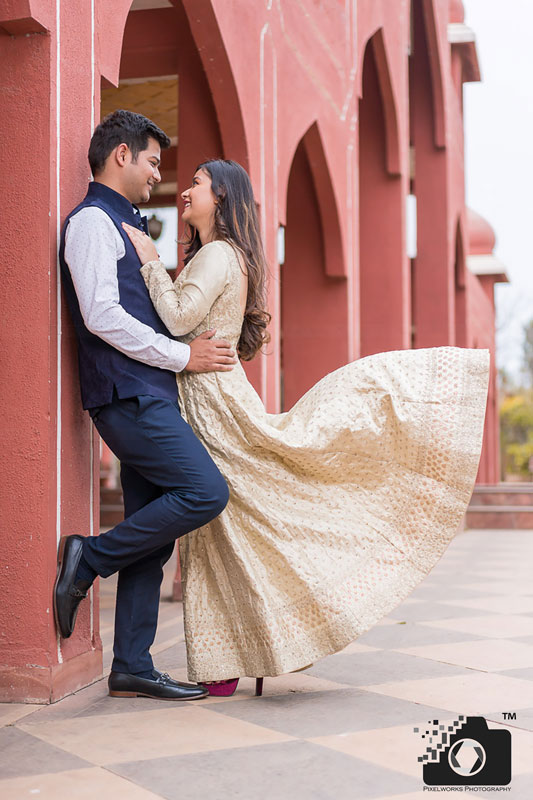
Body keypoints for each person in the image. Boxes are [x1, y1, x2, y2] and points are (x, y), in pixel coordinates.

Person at [122, 158, 490, 697]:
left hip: (215, 405)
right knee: (226, 530)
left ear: (221, 196)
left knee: (237, 521)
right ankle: (228, 658)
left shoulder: (220, 254)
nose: (186, 191)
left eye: (196, 183)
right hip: (206, 399)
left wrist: (151, 262)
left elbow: (178, 318)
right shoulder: (220, 255)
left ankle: (233, 657)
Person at [54, 111, 238, 702]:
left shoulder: (127, 225)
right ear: (121, 157)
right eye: (154, 160)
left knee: (152, 535)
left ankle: (131, 663)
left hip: (149, 394)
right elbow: (101, 316)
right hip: (125, 396)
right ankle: (88, 558)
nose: (160, 173)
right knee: (206, 493)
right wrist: (184, 357)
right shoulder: (90, 223)